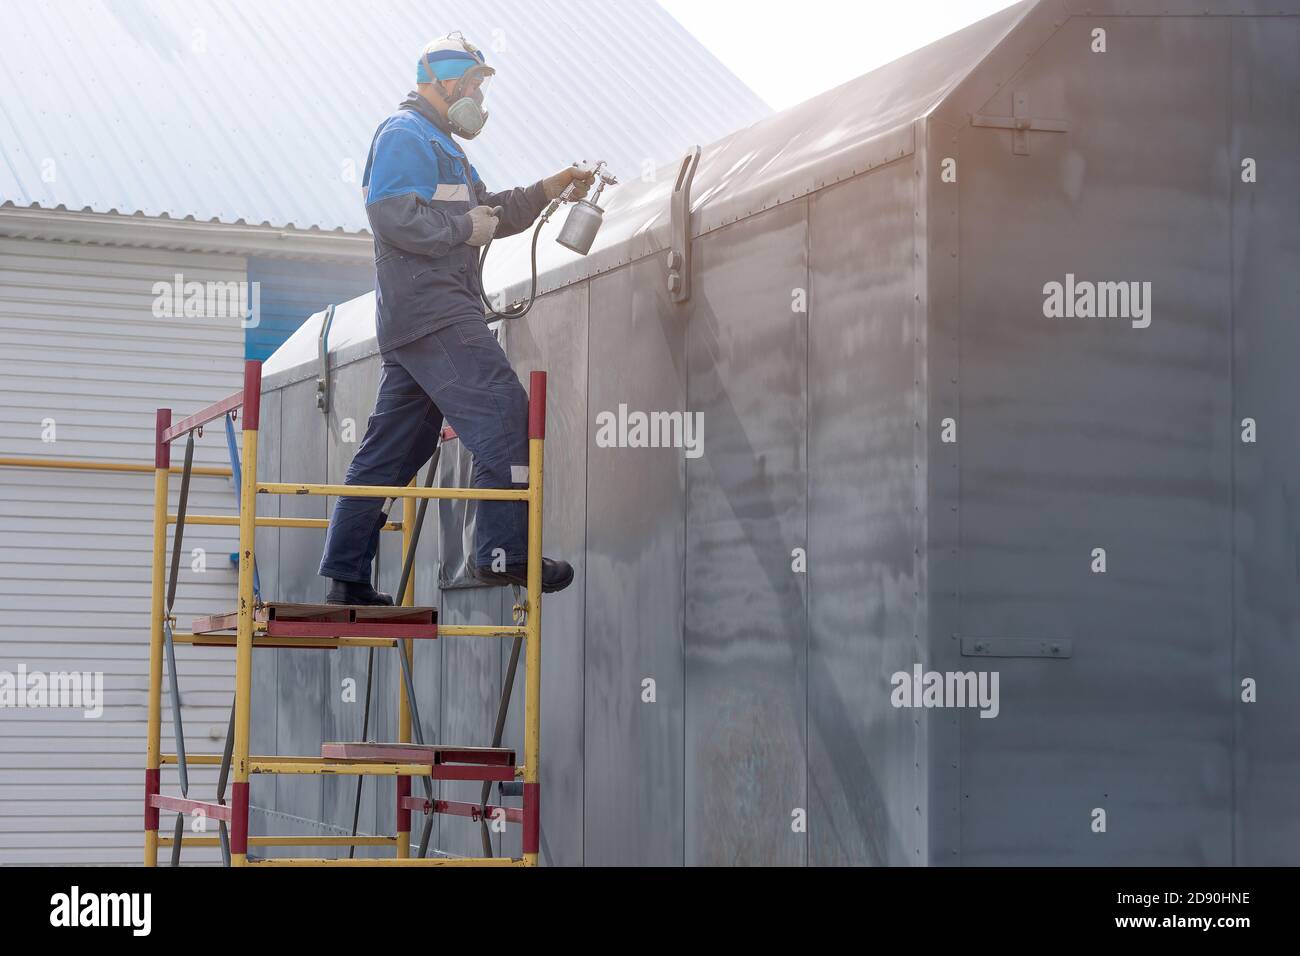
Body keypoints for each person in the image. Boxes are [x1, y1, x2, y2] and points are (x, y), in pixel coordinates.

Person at [318, 31, 588, 605]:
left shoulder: (446, 149)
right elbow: (390, 216)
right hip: (435, 311)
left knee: (393, 450)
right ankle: (501, 552)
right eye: (470, 84)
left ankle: (346, 578)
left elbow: (495, 213)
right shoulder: (404, 135)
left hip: (422, 317)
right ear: (440, 81)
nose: (477, 98)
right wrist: (463, 230)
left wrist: (550, 187)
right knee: (507, 413)